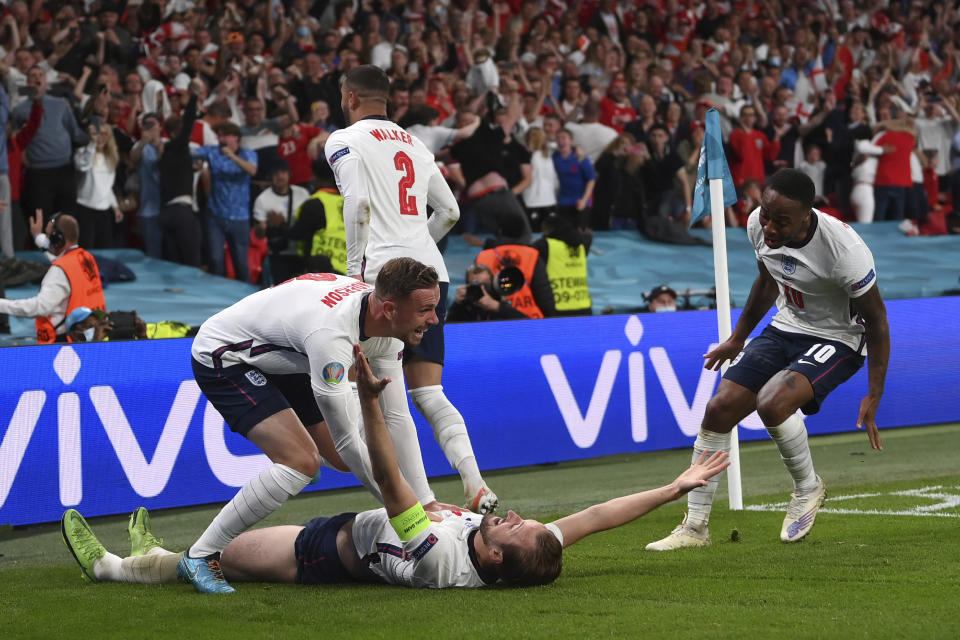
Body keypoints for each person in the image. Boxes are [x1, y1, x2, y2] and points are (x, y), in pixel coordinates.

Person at [60, 344, 730, 590]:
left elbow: (390, 477)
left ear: (495, 560)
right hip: (360, 529)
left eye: (518, 530)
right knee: (215, 552)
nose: (523, 519)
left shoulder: (442, 553)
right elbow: (595, 518)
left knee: (223, 557)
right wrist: (675, 487)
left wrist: (371, 405)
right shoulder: (518, 549)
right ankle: (151, 554)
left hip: (325, 553)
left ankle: (116, 568)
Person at [646, 169, 889, 551]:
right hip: (787, 325)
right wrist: (737, 339)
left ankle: (807, 488)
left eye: (782, 220)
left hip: (839, 337)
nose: (769, 226)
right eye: (765, 213)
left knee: (772, 401)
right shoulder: (758, 225)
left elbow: (877, 320)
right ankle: (694, 528)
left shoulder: (844, 252)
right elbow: (768, 280)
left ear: (808, 215)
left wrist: (875, 393)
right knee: (720, 408)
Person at [179, 257, 453, 594]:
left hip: (290, 356)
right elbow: (348, 441)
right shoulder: (332, 336)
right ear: (390, 309)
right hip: (226, 356)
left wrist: (423, 502)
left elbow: (396, 415)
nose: (435, 319)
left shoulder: (389, 329)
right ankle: (201, 554)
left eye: (435, 307)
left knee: (338, 462)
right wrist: (406, 517)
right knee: (302, 462)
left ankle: (292, 450)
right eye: (425, 310)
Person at [325, 65, 498, 515]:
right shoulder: (416, 144)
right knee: (427, 392)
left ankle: (420, 504)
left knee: (387, 390)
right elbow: (451, 212)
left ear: (349, 98)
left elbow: (358, 202)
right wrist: (415, 240)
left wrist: (356, 270)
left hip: (384, 278)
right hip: (432, 272)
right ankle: (474, 482)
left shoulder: (344, 140)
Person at [0, 212, 105, 344]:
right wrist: (38, 236)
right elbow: (60, 259)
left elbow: (40, 307)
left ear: (58, 239)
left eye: (49, 237)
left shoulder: (59, 271)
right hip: (92, 335)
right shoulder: (85, 257)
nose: (48, 241)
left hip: (63, 343)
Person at [192, 121, 258, 281]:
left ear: (236, 138)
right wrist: (196, 162)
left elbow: (252, 170)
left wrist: (232, 156)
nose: (220, 138)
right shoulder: (212, 151)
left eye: (224, 135)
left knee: (241, 262)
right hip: (216, 216)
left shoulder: (248, 153)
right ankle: (217, 298)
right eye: (219, 135)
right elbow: (191, 152)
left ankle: (245, 299)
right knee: (215, 259)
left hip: (240, 218)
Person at [73, 121, 123, 249]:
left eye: (104, 134)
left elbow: (107, 187)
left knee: (105, 248)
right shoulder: (82, 152)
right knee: (86, 248)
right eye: (97, 134)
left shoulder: (110, 158)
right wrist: (92, 145)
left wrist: (115, 207)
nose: (101, 137)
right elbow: (83, 166)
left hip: (104, 211)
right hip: (85, 208)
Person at [532, 213, 592, 316]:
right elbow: (588, 236)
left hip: (558, 308)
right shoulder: (581, 246)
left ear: (549, 230)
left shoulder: (546, 245)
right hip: (583, 306)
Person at [447, 263, 530, 322]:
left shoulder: (499, 305)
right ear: (467, 286)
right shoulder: (464, 307)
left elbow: (528, 324)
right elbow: (446, 331)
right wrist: (457, 304)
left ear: (493, 284)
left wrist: (496, 306)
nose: (481, 290)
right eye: (475, 286)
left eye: (485, 285)